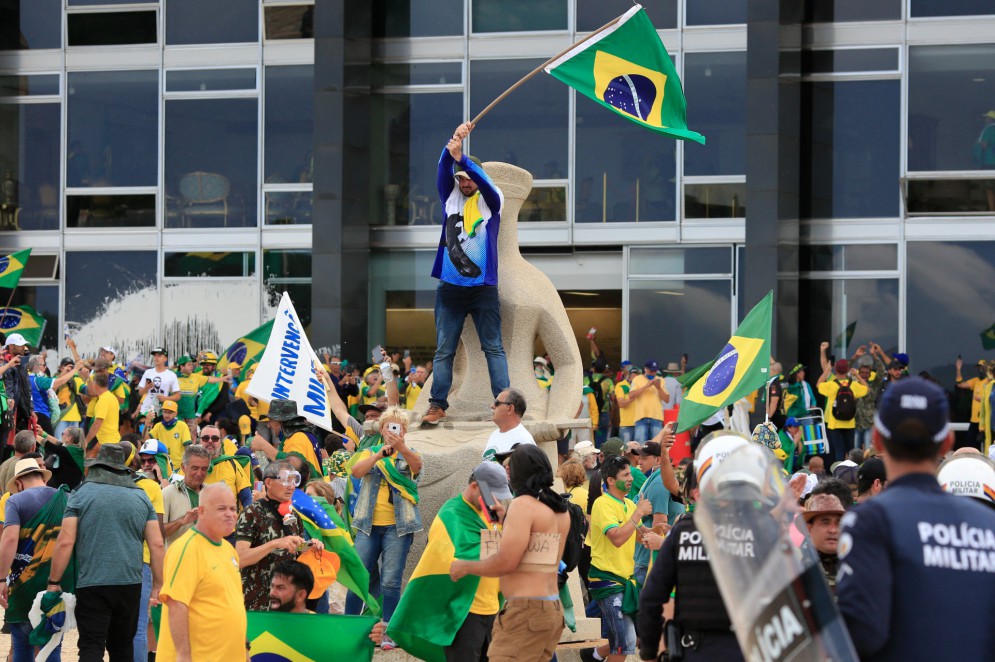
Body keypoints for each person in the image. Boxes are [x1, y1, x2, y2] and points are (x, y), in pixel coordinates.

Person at [837, 378, 995, 660]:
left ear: (877, 439)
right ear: (947, 441)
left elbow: (859, 634)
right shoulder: (988, 525)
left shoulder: (869, 521)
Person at [449, 445, 570, 662]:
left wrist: (465, 566)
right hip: (551, 609)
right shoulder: (558, 509)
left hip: (526, 611)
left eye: (509, 467)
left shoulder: (523, 506)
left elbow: (507, 562)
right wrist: (507, 520)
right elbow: (537, 558)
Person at [422, 121, 509, 425]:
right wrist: (454, 142)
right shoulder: (450, 197)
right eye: (461, 178)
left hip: (483, 287)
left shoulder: (492, 200)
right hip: (450, 287)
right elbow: (442, 168)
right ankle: (437, 405)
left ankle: (505, 403)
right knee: (444, 350)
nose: (465, 183)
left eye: (469, 178)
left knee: (493, 348)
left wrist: (465, 161)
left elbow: (488, 186)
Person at [638, 433, 751, 662]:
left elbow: (651, 599)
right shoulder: (763, 531)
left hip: (696, 649)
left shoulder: (684, 532)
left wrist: (649, 651)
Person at [49, 443, 164, 662]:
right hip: (130, 583)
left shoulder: (81, 495)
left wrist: (54, 581)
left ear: (97, 467)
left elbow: (65, 542)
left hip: (92, 583)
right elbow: (157, 544)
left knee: (91, 646)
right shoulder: (141, 497)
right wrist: (158, 584)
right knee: (123, 648)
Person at [390, 461, 512, 661]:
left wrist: (505, 526)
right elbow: (462, 554)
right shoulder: (451, 514)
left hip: (491, 611)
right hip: (465, 614)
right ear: (475, 486)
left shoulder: (490, 514)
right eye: (491, 494)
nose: (496, 500)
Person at [346, 406, 422, 634]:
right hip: (367, 526)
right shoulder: (370, 452)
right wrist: (379, 455)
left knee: (391, 581)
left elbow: (418, 467)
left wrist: (401, 448)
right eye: (389, 427)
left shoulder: (410, 453)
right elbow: (356, 472)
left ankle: (389, 632)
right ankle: (349, 628)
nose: (393, 432)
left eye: (398, 428)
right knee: (359, 577)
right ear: (381, 429)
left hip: (398, 527)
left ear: (404, 431)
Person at [156, 483, 246, 662]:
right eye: (222, 508)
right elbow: (176, 604)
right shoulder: (187, 548)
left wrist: (245, 649)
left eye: (233, 508)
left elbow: (234, 604)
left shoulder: (229, 549)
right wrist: (183, 655)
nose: (230, 514)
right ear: (202, 512)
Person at [582, 454, 653, 662]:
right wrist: (638, 513)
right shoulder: (602, 504)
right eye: (625, 475)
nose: (631, 478)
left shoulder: (629, 504)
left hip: (626, 581)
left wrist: (659, 531)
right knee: (626, 643)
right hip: (607, 581)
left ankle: (593, 655)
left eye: (630, 473)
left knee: (629, 638)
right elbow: (618, 539)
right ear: (611, 480)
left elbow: (640, 535)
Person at [235, 459, 321, 611]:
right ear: (268, 482)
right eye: (286, 480)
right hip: (257, 604)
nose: (291, 486)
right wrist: (274, 544)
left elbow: (294, 552)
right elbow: (240, 559)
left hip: (286, 605)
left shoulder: (294, 515)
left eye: (294, 481)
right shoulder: (251, 513)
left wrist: (309, 546)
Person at [0, 457, 62, 662]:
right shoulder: (65, 498)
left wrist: (1, 578)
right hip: (56, 586)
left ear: (19, 483)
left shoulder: (16, 501)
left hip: (23, 587)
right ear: (42, 477)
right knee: (51, 649)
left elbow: (9, 539)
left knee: (21, 649)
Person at [632, 437, 679, 588]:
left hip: (649, 561)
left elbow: (660, 524)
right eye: (639, 458)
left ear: (658, 460)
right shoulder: (655, 479)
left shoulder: (659, 483)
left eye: (644, 458)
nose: (640, 462)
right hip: (648, 559)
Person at [816, 346, 869, 464]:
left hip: (834, 423)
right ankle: (853, 472)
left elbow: (818, 384)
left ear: (835, 369)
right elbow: (866, 388)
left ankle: (838, 472)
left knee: (838, 451)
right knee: (850, 451)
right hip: (849, 422)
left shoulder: (831, 385)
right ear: (847, 370)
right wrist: (857, 375)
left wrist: (827, 370)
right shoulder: (853, 385)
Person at [250, 399, 324, 480]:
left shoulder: (298, 439)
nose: (269, 425)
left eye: (271, 420)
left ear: (280, 422)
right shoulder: (297, 435)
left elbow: (294, 466)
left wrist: (265, 446)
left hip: (311, 487)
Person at [162, 444, 211, 547]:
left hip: (206, 555)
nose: (199, 473)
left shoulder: (212, 493)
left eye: (204, 469)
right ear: (183, 467)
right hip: (179, 555)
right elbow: (159, 533)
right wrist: (181, 521)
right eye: (195, 468)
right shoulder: (167, 493)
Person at [199, 424, 253, 510]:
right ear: (199, 441)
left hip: (229, 517)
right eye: (205, 438)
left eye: (215, 438)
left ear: (221, 443)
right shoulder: (190, 466)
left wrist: (248, 516)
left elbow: (246, 498)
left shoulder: (232, 464)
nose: (210, 441)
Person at [800, 493, 845, 595]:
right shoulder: (796, 567)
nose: (833, 530)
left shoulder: (855, 566)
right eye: (825, 522)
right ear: (809, 529)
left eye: (838, 523)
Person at [27, 355, 81, 435]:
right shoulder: (37, 380)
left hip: (34, 414)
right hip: (41, 415)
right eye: (44, 365)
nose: (45, 367)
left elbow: (53, 386)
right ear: (36, 366)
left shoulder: (29, 378)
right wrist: (75, 369)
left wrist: (63, 373)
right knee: (49, 441)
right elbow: (58, 382)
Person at [482, 388, 536, 461]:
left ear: (510, 408)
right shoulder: (494, 434)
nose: (492, 406)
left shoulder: (524, 442)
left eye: (497, 403)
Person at [144, 400, 191, 470]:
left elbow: (187, 446)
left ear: (176, 413)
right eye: (165, 412)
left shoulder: (182, 425)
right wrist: (146, 424)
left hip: (179, 467)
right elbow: (146, 440)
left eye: (170, 412)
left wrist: (187, 464)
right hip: (163, 465)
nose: (167, 415)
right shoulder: (158, 426)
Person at [629, 360, 669, 442]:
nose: (653, 373)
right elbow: (631, 395)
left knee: (656, 444)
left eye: (655, 371)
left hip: (656, 417)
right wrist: (646, 386)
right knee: (640, 445)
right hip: (641, 417)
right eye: (651, 371)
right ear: (645, 369)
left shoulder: (660, 380)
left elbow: (667, 399)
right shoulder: (637, 379)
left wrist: (659, 388)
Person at [955, 357, 990, 450]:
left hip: (984, 420)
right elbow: (960, 384)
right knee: (970, 444)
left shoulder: (990, 382)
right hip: (974, 419)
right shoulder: (976, 381)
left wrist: (982, 399)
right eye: (979, 368)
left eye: (982, 368)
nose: (980, 370)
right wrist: (958, 369)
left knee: (985, 445)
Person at [137, 347, 180, 419]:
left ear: (165, 359)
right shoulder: (148, 372)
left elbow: (178, 396)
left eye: (159, 356)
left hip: (162, 411)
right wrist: (147, 387)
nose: (156, 358)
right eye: (155, 356)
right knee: (145, 426)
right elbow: (140, 393)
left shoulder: (171, 375)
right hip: (146, 410)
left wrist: (166, 398)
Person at [84, 372, 121, 451]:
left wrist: (86, 441)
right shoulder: (112, 397)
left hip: (105, 441)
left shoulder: (103, 400)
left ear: (95, 385)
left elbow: (97, 423)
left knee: (89, 457)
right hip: (113, 438)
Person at [613, 365, 641, 442]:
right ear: (629, 375)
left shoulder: (641, 386)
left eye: (638, 375)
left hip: (640, 424)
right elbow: (621, 404)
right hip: (627, 424)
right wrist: (634, 396)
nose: (636, 378)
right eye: (634, 375)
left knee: (640, 449)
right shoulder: (621, 385)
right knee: (626, 448)